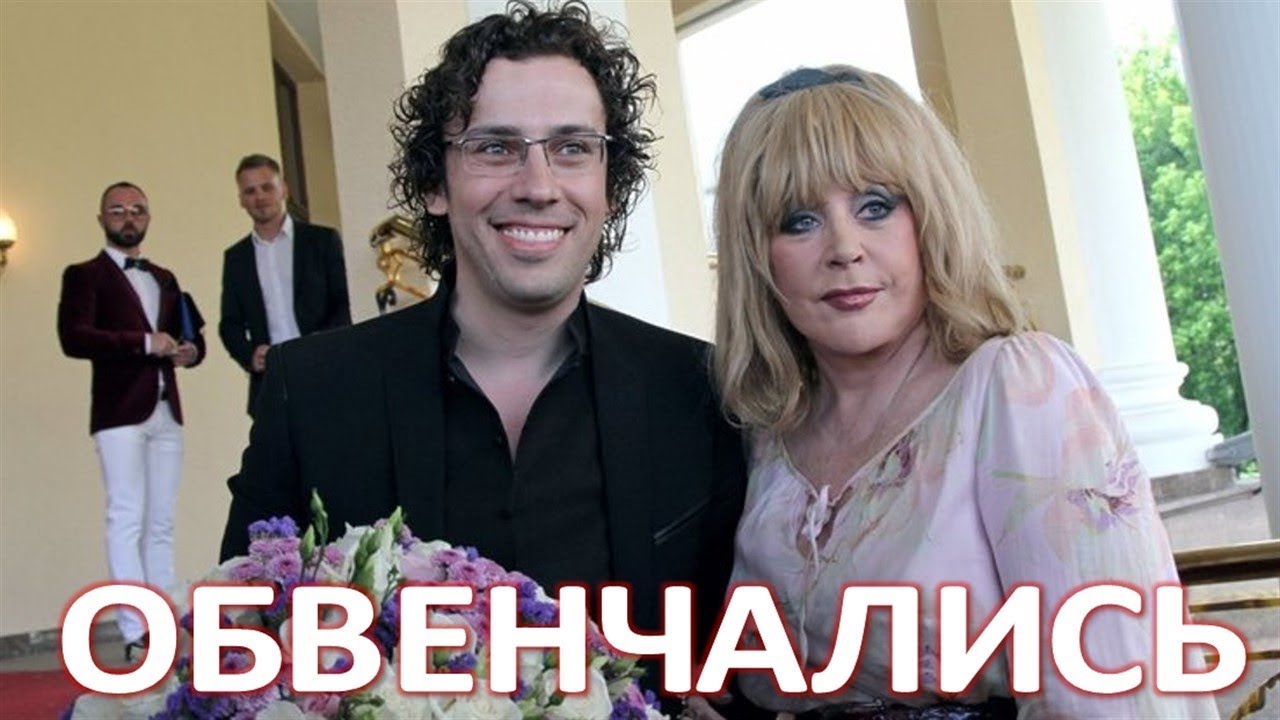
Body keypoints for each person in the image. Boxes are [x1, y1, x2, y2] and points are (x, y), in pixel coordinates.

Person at [219, 0, 745, 673]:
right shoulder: (311, 392)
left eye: (573, 148)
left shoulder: (701, 391)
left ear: (609, 185)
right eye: (495, 147)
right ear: (434, 185)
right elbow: (234, 649)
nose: (538, 186)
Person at [700, 66, 1218, 719]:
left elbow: (1113, 685)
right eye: (798, 220)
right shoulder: (766, 436)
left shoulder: (1018, 386)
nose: (845, 248)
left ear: (931, 216)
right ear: (756, 255)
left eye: (876, 206)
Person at [58, 181, 206, 659]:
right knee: (126, 516)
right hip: (119, 411)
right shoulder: (84, 275)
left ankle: (164, 620)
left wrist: (189, 352)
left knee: (161, 521)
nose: (128, 217)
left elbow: (192, 337)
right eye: (118, 210)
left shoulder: (164, 276)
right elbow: (74, 337)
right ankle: (133, 629)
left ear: (148, 217)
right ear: (102, 219)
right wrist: (143, 343)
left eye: (137, 209)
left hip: (166, 408)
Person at [218, 154, 351, 415]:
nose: (260, 197)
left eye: (267, 187)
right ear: (241, 200)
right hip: (270, 383)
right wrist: (250, 355)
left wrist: (319, 344)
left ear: (284, 190)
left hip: (325, 369)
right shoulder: (236, 258)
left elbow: (344, 301)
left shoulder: (322, 241)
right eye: (250, 191)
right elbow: (230, 323)